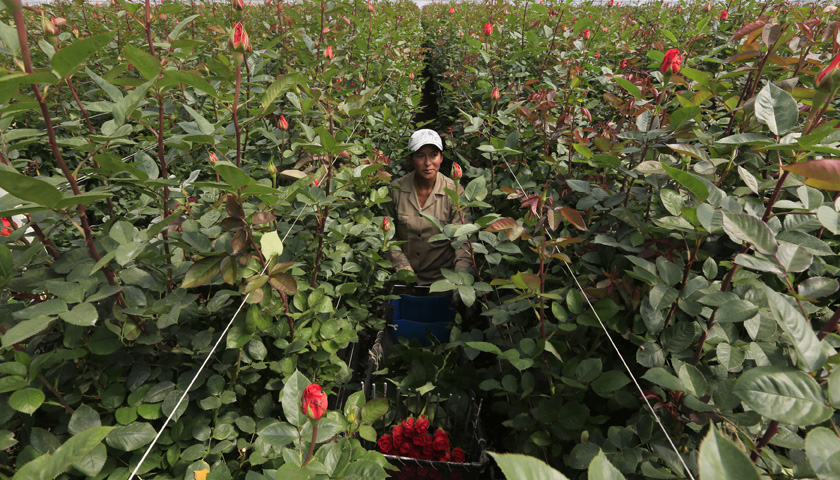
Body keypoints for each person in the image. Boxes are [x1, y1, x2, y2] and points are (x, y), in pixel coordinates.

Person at [383, 129, 472, 286]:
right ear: (411, 159)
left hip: (442, 281)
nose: (428, 163)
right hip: (404, 280)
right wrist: (403, 266)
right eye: (420, 156)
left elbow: (462, 240)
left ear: (441, 158)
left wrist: (461, 280)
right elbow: (388, 236)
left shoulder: (454, 192)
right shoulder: (396, 190)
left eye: (433, 155)